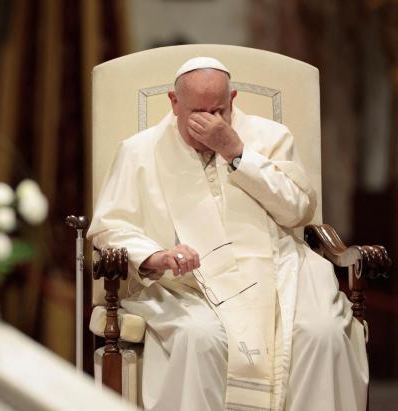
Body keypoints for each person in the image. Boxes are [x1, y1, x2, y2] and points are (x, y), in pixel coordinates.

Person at [87, 57, 368, 411]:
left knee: (321, 333)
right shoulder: (139, 151)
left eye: (218, 111)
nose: (209, 123)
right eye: (197, 112)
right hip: (188, 286)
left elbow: (298, 210)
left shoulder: (270, 138)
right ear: (174, 103)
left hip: (281, 274)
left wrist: (237, 153)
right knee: (200, 337)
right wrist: (156, 256)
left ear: (233, 99)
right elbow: (111, 227)